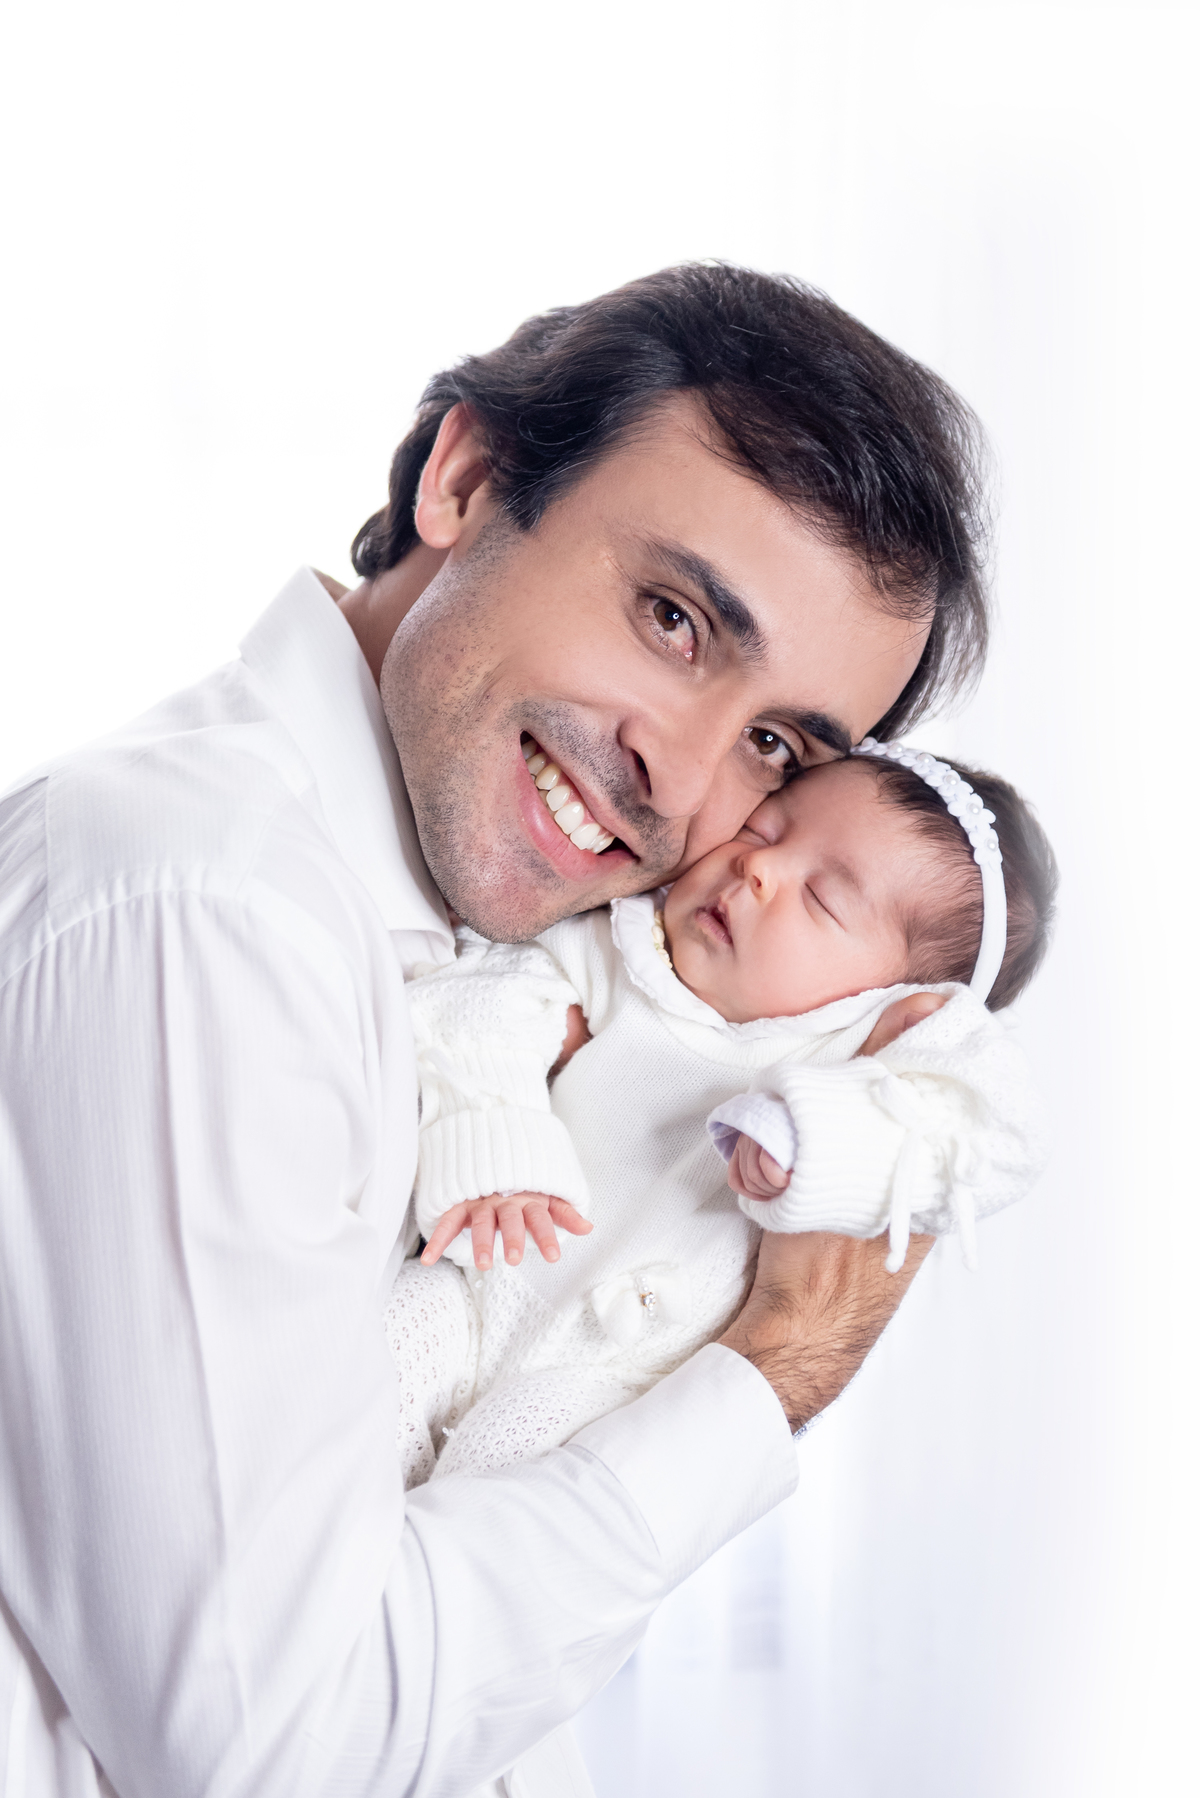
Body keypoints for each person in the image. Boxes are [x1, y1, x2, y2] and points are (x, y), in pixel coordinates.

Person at [0, 266, 992, 1797]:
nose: (681, 781)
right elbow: (268, 1749)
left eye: (774, 747)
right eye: (673, 619)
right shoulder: (213, 908)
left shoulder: (508, 978)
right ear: (462, 479)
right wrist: (767, 1374)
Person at [390, 744, 1056, 1493]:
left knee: (509, 1468)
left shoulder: (852, 1048)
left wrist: (831, 1143)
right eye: (761, 830)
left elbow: (998, 1136)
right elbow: (483, 996)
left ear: (900, 996)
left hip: (616, 1381)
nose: (758, 868)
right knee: (388, 1347)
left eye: (822, 898)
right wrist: (500, 1140)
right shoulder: (626, 945)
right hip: (477, 1283)